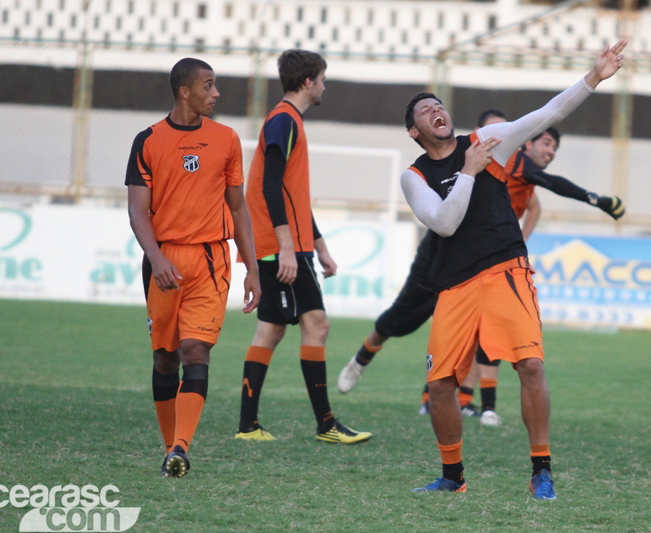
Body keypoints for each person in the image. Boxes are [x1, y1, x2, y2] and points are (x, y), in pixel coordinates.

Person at [400, 40, 627, 497]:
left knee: (531, 365)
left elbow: (546, 113)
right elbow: (444, 224)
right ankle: (452, 477)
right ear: (414, 131)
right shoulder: (414, 175)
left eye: (439, 105)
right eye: (425, 110)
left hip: (506, 268)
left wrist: (593, 78)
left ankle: (541, 469)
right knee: (440, 385)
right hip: (456, 284)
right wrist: (468, 172)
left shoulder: (486, 141)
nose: (436, 110)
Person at [338, 115, 625, 428]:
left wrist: (518, 244)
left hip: (485, 260)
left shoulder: (514, 169)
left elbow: (536, 205)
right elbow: (552, 182)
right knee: (402, 317)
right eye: (546, 143)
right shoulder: (502, 159)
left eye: (555, 147)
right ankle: (363, 357)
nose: (551, 151)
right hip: (441, 252)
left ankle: (465, 403)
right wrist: (596, 199)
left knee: (481, 333)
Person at [126, 57, 261, 478]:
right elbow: (137, 211)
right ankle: (170, 448)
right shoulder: (148, 140)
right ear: (184, 91)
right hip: (164, 260)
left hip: (210, 259)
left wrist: (252, 268)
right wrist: (156, 257)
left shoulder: (226, 139)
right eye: (208, 85)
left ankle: (181, 448)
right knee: (165, 359)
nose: (216, 93)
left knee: (195, 350)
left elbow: (238, 208)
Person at [235, 49, 371, 445]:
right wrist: (287, 247)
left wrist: (320, 247)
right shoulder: (283, 120)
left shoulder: (287, 119)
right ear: (308, 81)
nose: (324, 86)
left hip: (284, 243)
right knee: (315, 325)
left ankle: (248, 426)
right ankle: (325, 425)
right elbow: (270, 187)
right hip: (280, 245)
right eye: (322, 79)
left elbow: (292, 196)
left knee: (272, 329)